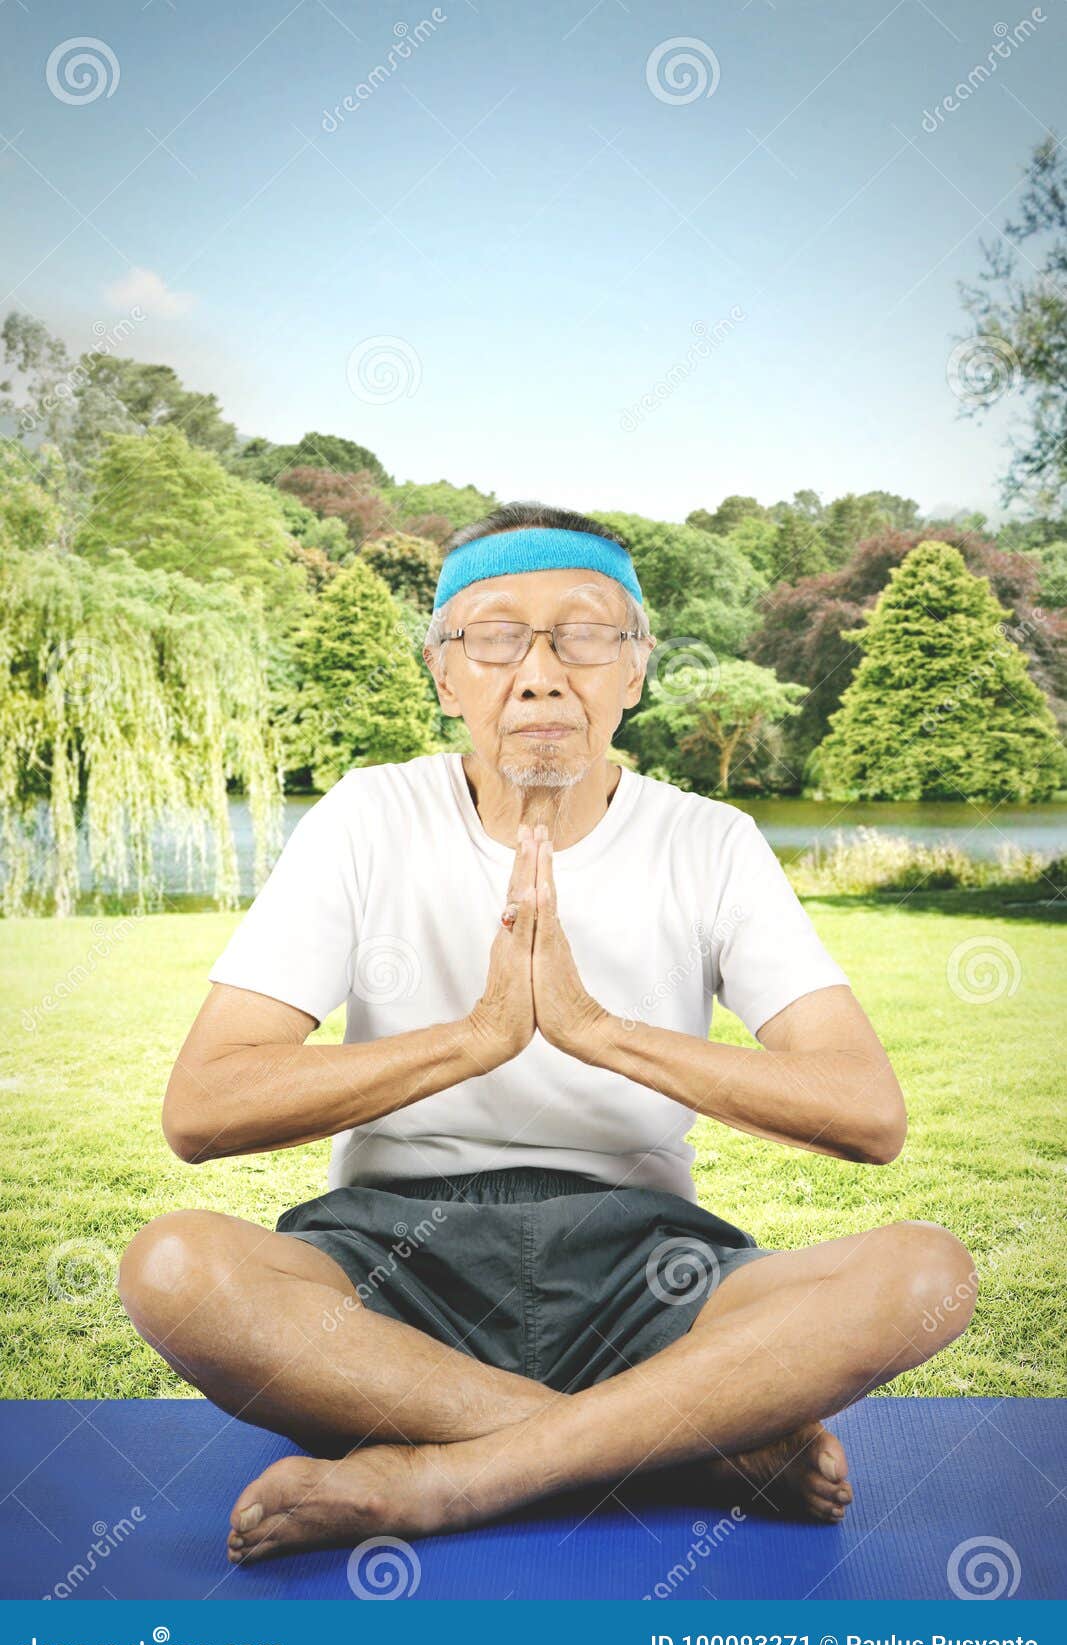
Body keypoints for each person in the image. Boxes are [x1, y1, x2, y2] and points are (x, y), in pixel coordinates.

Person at [117, 502, 976, 1567]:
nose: (537, 673)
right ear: (444, 676)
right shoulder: (365, 815)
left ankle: (447, 1476)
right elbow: (202, 1108)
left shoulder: (709, 842)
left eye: (582, 634)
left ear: (634, 670)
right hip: (391, 1274)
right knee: (172, 1266)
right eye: (491, 636)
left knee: (922, 1272)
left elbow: (866, 1113)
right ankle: (672, 1445)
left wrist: (595, 1032)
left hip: (652, 1274)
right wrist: (473, 1039)